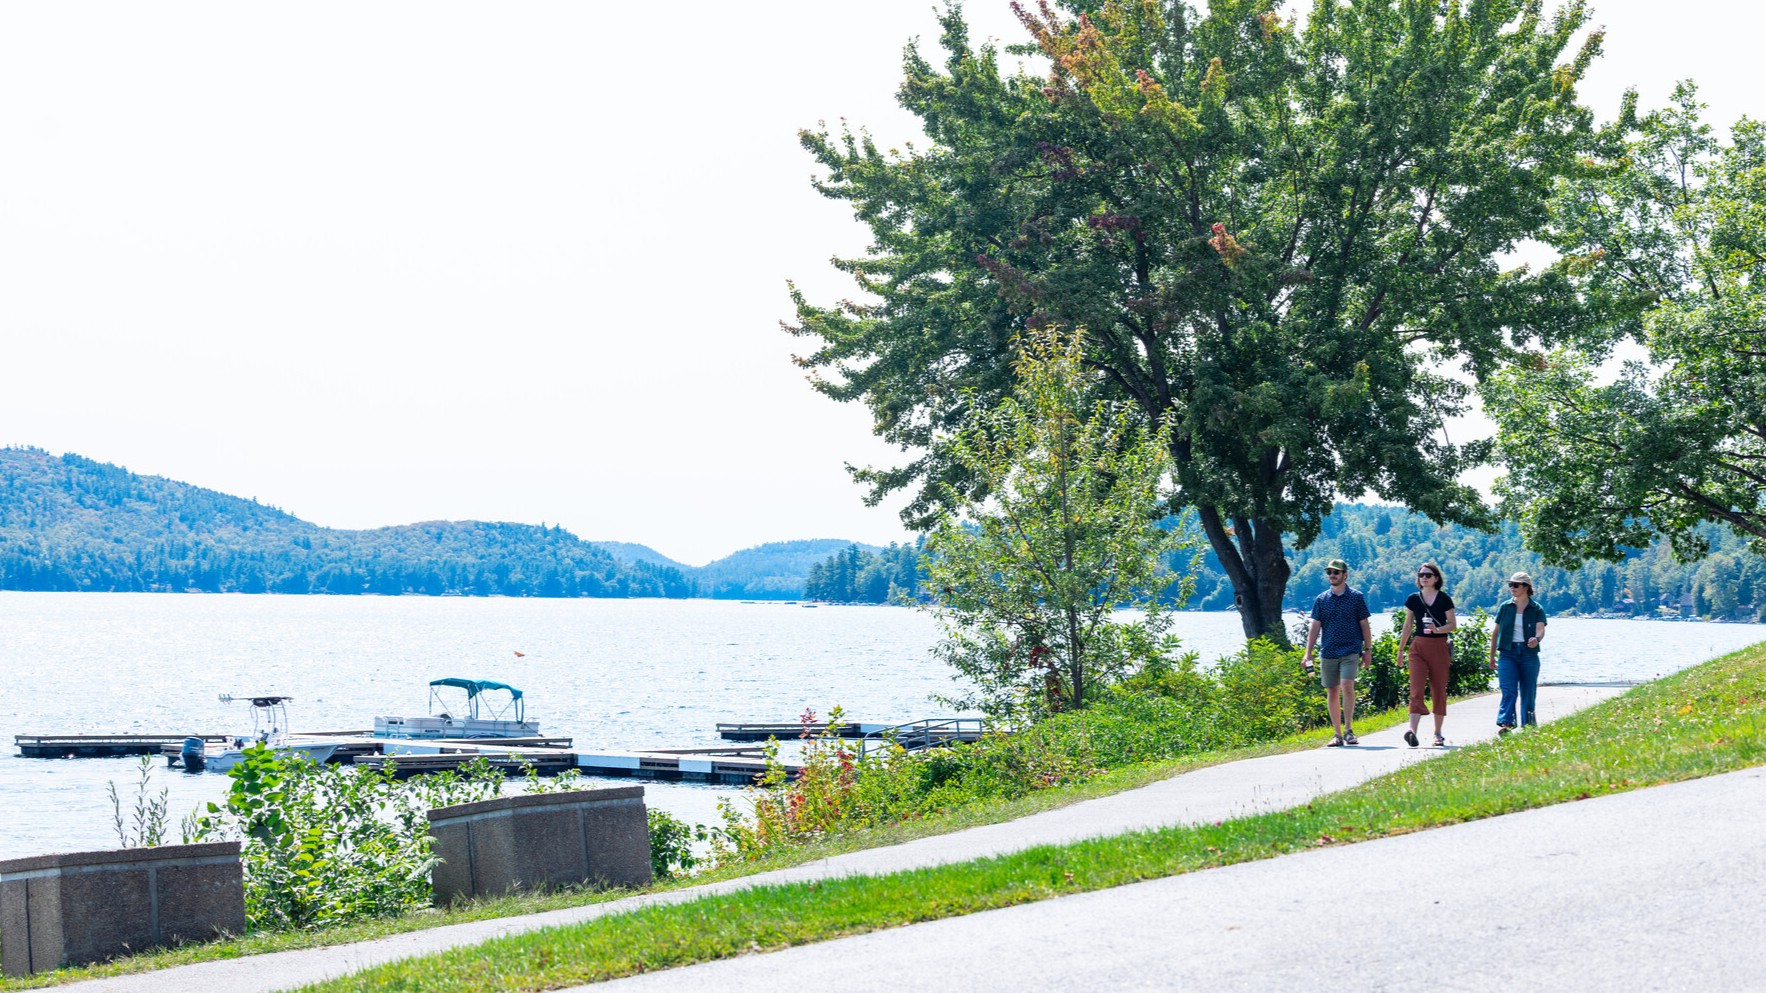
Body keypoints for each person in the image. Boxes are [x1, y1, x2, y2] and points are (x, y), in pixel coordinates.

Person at [1301, 558, 1372, 746]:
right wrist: (1308, 653)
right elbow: (1315, 627)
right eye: (1330, 573)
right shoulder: (1321, 599)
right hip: (1328, 651)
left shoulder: (1356, 597)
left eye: (1336, 572)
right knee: (1332, 691)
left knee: (1347, 685)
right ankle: (1337, 734)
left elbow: (1364, 624)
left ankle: (1349, 730)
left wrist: (1368, 650)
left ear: (1345, 575)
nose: (1332, 576)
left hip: (1351, 650)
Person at [1398, 561, 1456, 747]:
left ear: (1436, 578)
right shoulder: (1413, 599)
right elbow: (1407, 625)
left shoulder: (1444, 599)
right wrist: (1400, 650)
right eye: (1421, 575)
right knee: (1416, 689)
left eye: (1428, 575)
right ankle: (1412, 731)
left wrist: (1438, 629)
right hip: (1418, 647)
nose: (1424, 578)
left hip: (1439, 646)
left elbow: (1452, 625)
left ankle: (1437, 734)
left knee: (1438, 690)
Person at [1488, 571, 1548, 732]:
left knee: (1528, 692)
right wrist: (1491, 656)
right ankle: (1506, 724)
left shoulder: (1536, 608)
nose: (1511, 588)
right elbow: (1496, 632)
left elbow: (1541, 629)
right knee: (1509, 690)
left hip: (1529, 654)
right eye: (1510, 585)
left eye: (1515, 585)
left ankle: (1528, 726)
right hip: (1508, 653)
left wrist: (1536, 639)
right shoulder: (1505, 607)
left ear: (1526, 587)